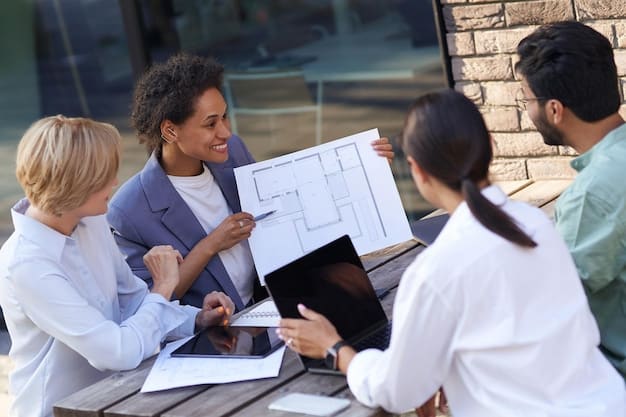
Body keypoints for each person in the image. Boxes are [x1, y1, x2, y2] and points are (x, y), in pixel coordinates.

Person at [276, 89, 625, 416]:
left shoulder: (436, 270)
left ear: (418, 171)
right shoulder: (536, 223)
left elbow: (396, 392)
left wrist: (334, 348)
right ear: (490, 145)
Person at [107, 52, 393, 311]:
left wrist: (365, 164)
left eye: (225, 117)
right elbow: (148, 305)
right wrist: (210, 245)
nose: (226, 132)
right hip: (217, 337)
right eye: (211, 124)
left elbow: (288, 205)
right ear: (170, 130)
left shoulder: (233, 153)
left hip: (279, 304)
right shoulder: (129, 211)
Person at [0, 116, 235, 417]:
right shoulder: (27, 265)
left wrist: (195, 320)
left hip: (120, 397)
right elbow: (117, 352)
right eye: (105, 175)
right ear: (75, 184)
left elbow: (133, 300)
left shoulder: (91, 219)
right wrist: (163, 287)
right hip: (62, 410)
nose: (115, 182)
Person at [515, 20, 626, 381]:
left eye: (526, 98)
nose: (526, 109)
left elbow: (553, 305)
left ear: (554, 110)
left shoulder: (591, 193)